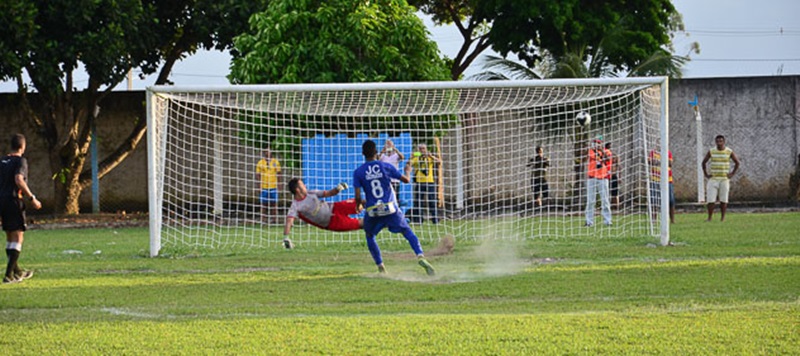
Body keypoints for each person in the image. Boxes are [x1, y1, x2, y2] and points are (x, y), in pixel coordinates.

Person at [354, 140, 435, 275]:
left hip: (373, 210)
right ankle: (420, 255)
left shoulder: (358, 172)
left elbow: (357, 196)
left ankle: (381, 268)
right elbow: (406, 180)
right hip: (389, 208)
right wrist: (408, 170)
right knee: (407, 232)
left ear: (363, 154)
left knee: (370, 236)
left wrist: (359, 205)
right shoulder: (385, 166)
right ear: (376, 153)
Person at [2, 134, 42, 284]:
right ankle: (8, 276)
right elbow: (18, 179)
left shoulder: (2, 161)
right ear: (23, 147)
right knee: (18, 237)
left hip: (2, 202)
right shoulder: (21, 161)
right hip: (14, 201)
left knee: (10, 237)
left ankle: (17, 272)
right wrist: (32, 198)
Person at [283, 178, 362, 249]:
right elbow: (289, 221)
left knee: (361, 203)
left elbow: (328, 193)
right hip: (332, 222)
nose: (305, 186)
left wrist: (337, 189)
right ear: (297, 190)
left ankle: (374, 206)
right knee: (362, 224)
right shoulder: (296, 206)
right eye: (302, 185)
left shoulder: (310, 193)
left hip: (335, 207)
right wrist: (286, 237)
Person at [701, 135, 741, 222]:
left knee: (723, 199)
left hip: (724, 179)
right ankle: (709, 218)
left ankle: (722, 218)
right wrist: (706, 174)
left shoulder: (729, 151)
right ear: (715, 142)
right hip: (713, 178)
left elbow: (737, 162)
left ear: (724, 142)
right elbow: (703, 162)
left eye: (721, 141)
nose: (719, 143)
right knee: (710, 200)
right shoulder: (711, 151)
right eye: (718, 141)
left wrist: (732, 173)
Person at [406, 143, 440, 224]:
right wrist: (411, 157)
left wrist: (431, 156)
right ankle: (419, 219)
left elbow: (439, 162)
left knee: (432, 201)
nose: (422, 150)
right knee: (418, 201)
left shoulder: (429, 158)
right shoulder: (416, 158)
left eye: (423, 148)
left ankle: (435, 219)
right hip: (419, 182)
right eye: (420, 149)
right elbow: (408, 164)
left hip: (430, 182)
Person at [584, 136, 612, 227]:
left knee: (605, 200)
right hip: (592, 177)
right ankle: (589, 221)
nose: (596, 145)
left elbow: (607, 159)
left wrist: (601, 151)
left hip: (603, 178)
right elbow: (586, 157)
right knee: (590, 200)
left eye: (598, 143)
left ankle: (607, 220)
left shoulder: (606, 151)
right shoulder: (591, 151)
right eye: (595, 142)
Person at [648, 148, 676, 224]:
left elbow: (670, 163)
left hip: (667, 180)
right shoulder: (653, 153)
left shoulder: (668, 152)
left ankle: (672, 220)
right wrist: (662, 161)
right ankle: (654, 220)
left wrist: (659, 162)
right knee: (654, 200)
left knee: (671, 200)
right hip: (655, 179)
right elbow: (650, 161)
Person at [256, 147, 281, 224]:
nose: (267, 152)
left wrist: (279, 185)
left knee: (274, 204)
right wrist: (259, 186)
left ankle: (274, 219)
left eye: (269, 151)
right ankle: (263, 219)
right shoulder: (260, 162)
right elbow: (258, 175)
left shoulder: (275, 162)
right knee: (263, 204)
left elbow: (279, 174)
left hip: (273, 186)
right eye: (266, 151)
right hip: (264, 186)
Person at [377, 139, 405, 205]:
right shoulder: (382, 155)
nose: (388, 146)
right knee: (385, 196)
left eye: (390, 144)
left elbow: (402, 157)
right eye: (387, 144)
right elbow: (376, 159)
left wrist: (395, 150)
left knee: (395, 197)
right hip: (385, 180)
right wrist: (382, 151)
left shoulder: (396, 155)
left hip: (395, 180)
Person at [605, 143, 620, 209]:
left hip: (613, 176)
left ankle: (616, 206)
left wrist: (619, 177)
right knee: (606, 192)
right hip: (606, 177)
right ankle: (608, 206)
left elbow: (619, 168)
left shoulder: (614, 156)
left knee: (615, 192)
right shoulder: (605, 156)